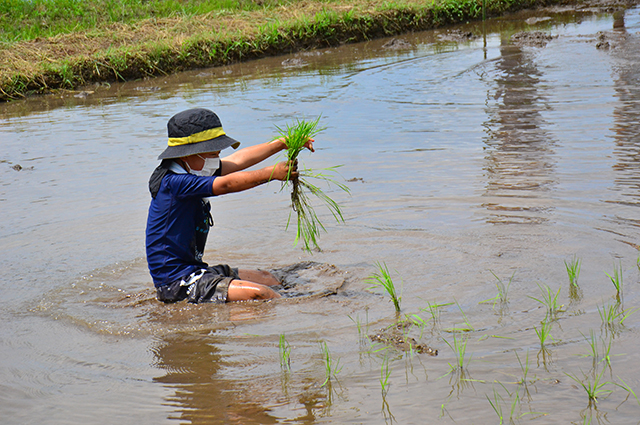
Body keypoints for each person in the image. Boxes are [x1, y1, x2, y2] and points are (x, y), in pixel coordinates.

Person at [145, 108, 313, 303]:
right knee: (262, 293)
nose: (216, 159)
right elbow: (226, 184)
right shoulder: (174, 182)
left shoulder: (195, 167)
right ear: (187, 154)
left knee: (269, 279)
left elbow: (238, 160)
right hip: (177, 283)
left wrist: (282, 144)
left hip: (197, 270)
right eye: (212, 152)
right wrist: (271, 173)